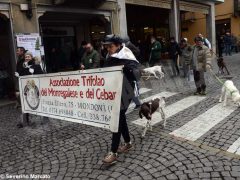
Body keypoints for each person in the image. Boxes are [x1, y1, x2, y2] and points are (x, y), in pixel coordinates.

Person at [102, 34, 139, 164]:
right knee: (121, 115)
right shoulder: (110, 56)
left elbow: (136, 73)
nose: (108, 49)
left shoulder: (126, 55)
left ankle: (113, 152)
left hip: (127, 89)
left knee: (117, 117)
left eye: (110, 46)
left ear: (118, 46)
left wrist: (125, 67)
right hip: (115, 89)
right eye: (106, 47)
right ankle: (128, 143)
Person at [16, 51, 43, 128]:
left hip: (35, 88)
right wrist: (19, 75)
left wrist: (34, 72)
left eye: (28, 56)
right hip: (27, 89)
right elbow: (22, 76)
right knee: (26, 103)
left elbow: (41, 75)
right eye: (26, 57)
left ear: (31, 57)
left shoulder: (36, 65)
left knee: (39, 102)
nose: (27, 58)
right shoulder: (23, 66)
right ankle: (25, 121)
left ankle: (45, 118)